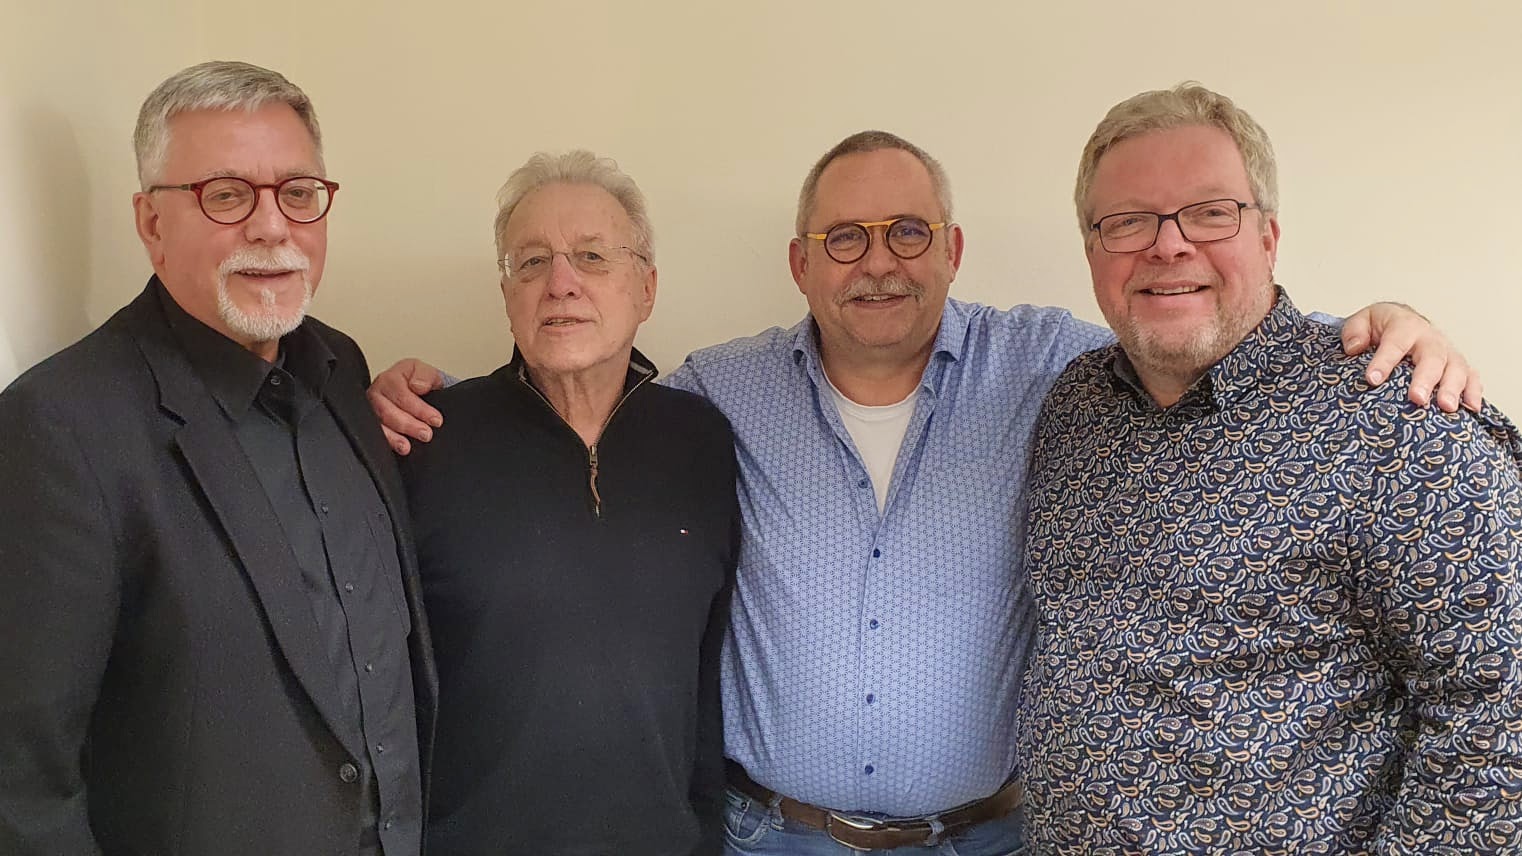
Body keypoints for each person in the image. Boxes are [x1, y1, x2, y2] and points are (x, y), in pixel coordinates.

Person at [369, 133, 1475, 854]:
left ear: (950, 249)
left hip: (986, 838)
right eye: (843, 238)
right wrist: (419, 396)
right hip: (773, 838)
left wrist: (1374, 327)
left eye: (907, 233)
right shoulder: (718, 393)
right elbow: (579, 383)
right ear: (801, 264)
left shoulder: (1053, 368)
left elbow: (1188, 324)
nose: (878, 263)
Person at [1017, 82, 1522, 853]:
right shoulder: (1074, 404)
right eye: (1128, 221)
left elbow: (1501, 714)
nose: (1168, 245)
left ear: (1268, 237)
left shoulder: (1401, 420)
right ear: (1092, 251)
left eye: (1210, 212)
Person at [0, 61, 435, 856]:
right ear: (151, 223)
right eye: (226, 195)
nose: (272, 227)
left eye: (297, 192)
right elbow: (22, 781)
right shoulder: (61, 425)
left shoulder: (341, 368)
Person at [403, 150, 738, 855]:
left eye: (591, 257)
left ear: (646, 288)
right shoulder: (425, 441)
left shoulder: (703, 442)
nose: (560, 284)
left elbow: (709, 673)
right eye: (532, 262)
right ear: (507, 295)